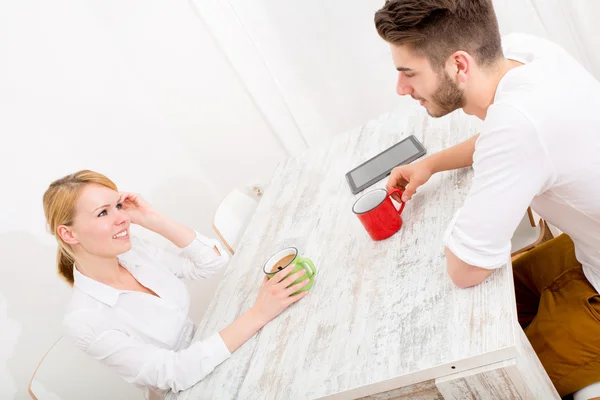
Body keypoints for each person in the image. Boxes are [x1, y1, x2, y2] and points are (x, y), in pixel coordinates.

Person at [374, 0, 600, 396]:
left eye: (409, 73)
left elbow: (465, 270)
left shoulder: (518, 126)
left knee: (484, 387)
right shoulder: (523, 54)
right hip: (589, 252)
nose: (401, 88)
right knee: (497, 303)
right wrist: (432, 164)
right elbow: (515, 136)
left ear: (460, 65)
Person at [42, 170, 310, 396]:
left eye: (118, 206)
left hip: (219, 354)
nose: (122, 218)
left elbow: (212, 262)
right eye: (103, 213)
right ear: (69, 233)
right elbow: (176, 372)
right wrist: (258, 314)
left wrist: (152, 219)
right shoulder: (84, 320)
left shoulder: (132, 252)